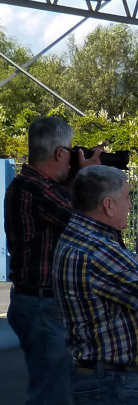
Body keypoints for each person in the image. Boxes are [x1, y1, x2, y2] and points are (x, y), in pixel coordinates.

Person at [4, 114, 99, 405]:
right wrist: (87, 179)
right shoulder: (38, 189)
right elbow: (89, 225)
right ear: (60, 153)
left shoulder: (27, 185)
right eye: (70, 151)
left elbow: (64, 213)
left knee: (52, 387)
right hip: (43, 305)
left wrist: (74, 179)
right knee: (52, 395)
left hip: (36, 301)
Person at [53, 166, 138, 403]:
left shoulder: (86, 236)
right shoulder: (97, 248)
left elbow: (136, 270)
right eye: (126, 198)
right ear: (108, 205)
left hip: (106, 376)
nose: (130, 205)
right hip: (113, 381)